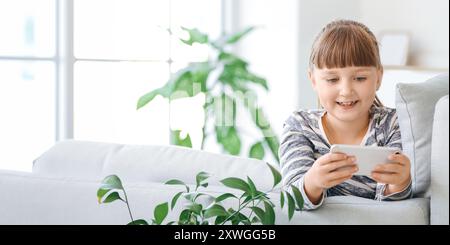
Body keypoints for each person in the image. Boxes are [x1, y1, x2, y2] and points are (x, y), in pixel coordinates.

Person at [279, 20, 412, 210]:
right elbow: (292, 201)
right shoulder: (300, 126)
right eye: (332, 79)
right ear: (314, 80)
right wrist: (313, 182)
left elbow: (394, 209)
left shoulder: (394, 123)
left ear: (379, 78)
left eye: (360, 78)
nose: (346, 91)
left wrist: (400, 182)